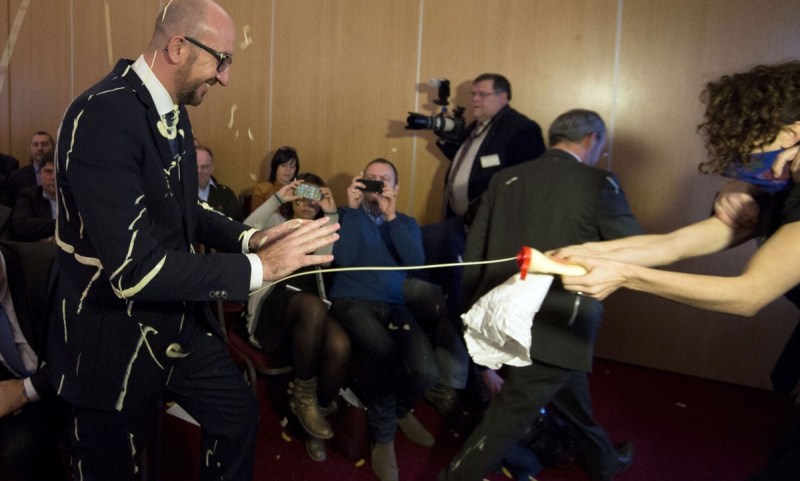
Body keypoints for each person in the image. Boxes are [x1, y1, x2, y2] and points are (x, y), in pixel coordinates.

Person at [48, 1, 339, 480]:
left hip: (171, 318)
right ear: (178, 47)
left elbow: (188, 207)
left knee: (238, 415)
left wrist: (252, 236)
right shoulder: (102, 115)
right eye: (220, 60)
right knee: (112, 466)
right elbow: (135, 270)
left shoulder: (175, 113)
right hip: (108, 335)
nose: (225, 77)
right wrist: (261, 268)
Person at [548, 61, 800, 481]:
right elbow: (675, 244)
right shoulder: (776, 185)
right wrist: (588, 250)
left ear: (791, 132)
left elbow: (748, 294)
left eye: (750, 137)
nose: (744, 154)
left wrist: (624, 276)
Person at [439, 109, 639, 481]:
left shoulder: (505, 179)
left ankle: (604, 459)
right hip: (560, 321)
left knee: (568, 390)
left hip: (503, 308)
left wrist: (476, 319)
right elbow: (632, 249)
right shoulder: (599, 183)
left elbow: (477, 256)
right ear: (591, 140)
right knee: (506, 418)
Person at [421, 74, 547, 410]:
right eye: (473, 93)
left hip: (491, 233)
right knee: (454, 296)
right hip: (459, 226)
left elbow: (527, 184)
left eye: (481, 94)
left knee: (477, 301)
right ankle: (459, 376)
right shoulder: (480, 126)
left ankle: (479, 378)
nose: (474, 99)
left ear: (503, 96)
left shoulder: (520, 129)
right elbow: (471, 165)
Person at [329, 158, 438, 481]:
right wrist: (350, 210)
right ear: (360, 183)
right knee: (383, 350)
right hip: (351, 300)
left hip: (393, 304)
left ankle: (398, 411)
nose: (376, 185)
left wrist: (390, 216)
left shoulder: (404, 222)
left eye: (383, 180)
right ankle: (383, 437)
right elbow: (343, 258)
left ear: (396, 187)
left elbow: (415, 262)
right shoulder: (346, 215)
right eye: (370, 179)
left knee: (427, 371)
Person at [243, 172, 350, 462]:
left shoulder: (320, 230)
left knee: (340, 344)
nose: (306, 201)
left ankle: (315, 416)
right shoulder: (277, 224)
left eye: (313, 196)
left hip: (309, 312)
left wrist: (330, 211)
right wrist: (279, 198)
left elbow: (324, 266)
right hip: (273, 310)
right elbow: (243, 229)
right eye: (301, 193)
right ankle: (305, 398)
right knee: (313, 307)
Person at [0, 241, 69, 481]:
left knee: (19, 449)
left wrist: (22, 391)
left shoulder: (46, 268)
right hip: (16, 382)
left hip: (69, 386)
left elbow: (82, 354)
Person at [11, 152, 56, 242]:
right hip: (39, 250)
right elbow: (21, 225)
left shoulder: (73, 197)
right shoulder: (29, 195)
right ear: (39, 174)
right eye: (48, 172)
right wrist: (61, 224)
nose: (54, 177)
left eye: (58, 172)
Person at [196, 144, 243, 221]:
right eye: (195, 166)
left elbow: (239, 227)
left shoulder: (226, 194)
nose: (199, 171)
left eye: (204, 167)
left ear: (212, 168)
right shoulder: (180, 196)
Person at [7, 132, 54, 205]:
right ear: (30, 149)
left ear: (53, 147)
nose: (40, 148)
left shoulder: (64, 174)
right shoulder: (16, 176)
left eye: (44, 144)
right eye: (35, 144)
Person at [250, 146, 299, 210]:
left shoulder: (299, 189)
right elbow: (256, 216)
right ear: (275, 166)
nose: (288, 170)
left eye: (292, 166)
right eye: (283, 165)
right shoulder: (263, 188)